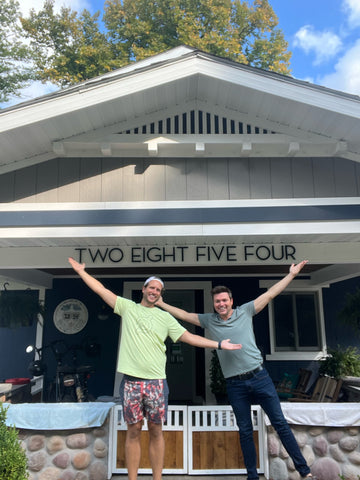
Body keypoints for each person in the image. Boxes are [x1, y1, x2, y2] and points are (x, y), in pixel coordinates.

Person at [68, 257, 241, 480]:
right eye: (151, 288)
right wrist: (82, 272)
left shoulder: (165, 318)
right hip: (130, 382)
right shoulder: (127, 308)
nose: (154, 292)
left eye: (158, 290)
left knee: (156, 431)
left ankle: (157, 478)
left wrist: (218, 344)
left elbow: (189, 337)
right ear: (144, 289)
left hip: (156, 383)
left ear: (160, 294)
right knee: (133, 432)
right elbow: (101, 290)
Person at [156, 260, 315, 480]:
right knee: (245, 431)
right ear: (214, 304)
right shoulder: (209, 321)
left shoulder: (245, 311)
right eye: (217, 302)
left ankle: (305, 473)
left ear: (231, 301)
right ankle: (252, 476)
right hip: (235, 385)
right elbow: (184, 315)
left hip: (260, 377)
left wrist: (291, 275)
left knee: (280, 424)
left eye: (224, 300)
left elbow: (269, 295)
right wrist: (162, 303)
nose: (221, 304)